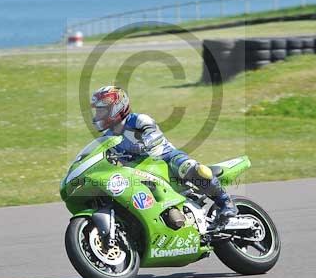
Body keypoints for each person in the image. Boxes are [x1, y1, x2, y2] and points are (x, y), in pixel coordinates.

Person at [90, 85, 238, 219]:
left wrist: (143, 144)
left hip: (167, 158)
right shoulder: (108, 136)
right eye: (97, 110)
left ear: (116, 107)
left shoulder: (138, 119)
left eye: (102, 110)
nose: (98, 114)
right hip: (139, 169)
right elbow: (102, 155)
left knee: (192, 168)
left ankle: (226, 202)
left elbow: (154, 133)